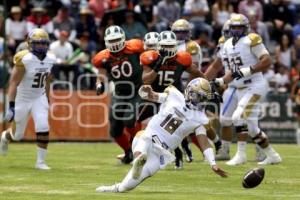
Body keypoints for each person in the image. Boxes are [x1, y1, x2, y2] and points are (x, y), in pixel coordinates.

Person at [96, 78, 228, 193]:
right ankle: (138, 160)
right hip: (151, 135)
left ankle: (117, 188)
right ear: (190, 92)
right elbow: (152, 96)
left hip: (162, 152)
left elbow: (204, 142)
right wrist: (147, 91)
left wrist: (213, 163)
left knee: (129, 185)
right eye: (200, 97)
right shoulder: (174, 95)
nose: (202, 101)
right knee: (143, 137)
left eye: (204, 98)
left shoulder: (200, 118)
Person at [212, 14, 282, 165]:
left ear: (245, 28)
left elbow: (267, 61)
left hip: (255, 86)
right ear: (229, 29)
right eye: (234, 27)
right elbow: (232, 71)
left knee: (237, 117)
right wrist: (221, 80)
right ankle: (273, 155)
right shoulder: (228, 44)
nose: (236, 30)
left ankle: (241, 154)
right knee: (251, 128)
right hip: (239, 88)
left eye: (239, 27)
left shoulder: (252, 39)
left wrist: (248, 70)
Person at [140, 31, 205, 168]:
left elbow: (198, 74)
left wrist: (207, 85)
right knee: (140, 120)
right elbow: (146, 80)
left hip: (173, 99)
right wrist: (158, 64)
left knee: (171, 128)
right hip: (155, 96)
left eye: (171, 46)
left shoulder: (182, 58)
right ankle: (141, 152)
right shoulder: (150, 58)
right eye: (165, 46)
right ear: (158, 46)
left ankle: (180, 155)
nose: (168, 50)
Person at [0, 28, 56, 170]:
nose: (41, 46)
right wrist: (11, 105)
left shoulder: (50, 59)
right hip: (22, 98)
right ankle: (5, 137)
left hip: (39, 96)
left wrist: (47, 98)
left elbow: (48, 80)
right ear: (30, 43)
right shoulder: (24, 58)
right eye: (37, 43)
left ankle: (40, 162)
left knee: (43, 126)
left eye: (43, 43)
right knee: (17, 135)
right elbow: (13, 82)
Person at [171, 19, 222, 164]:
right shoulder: (170, 44)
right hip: (176, 85)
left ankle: (215, 144)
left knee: (198, 120)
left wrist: (188, 90)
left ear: (188, 33)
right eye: (177, 32)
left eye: (183, 32)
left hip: (192, 86)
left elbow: (193, 70)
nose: (180, 35)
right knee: (185, 120)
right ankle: (210, 146)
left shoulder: (192, 46)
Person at [92, 25, 144, 164]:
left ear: (123, 38)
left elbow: (149, 59)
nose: (115, 43)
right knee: (114, 128)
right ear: (106, 41)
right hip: (120, 92)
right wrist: (99, 84)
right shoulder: (102, 57)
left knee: (129, 120)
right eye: (112, 40)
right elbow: (101, 75)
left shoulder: (135, 46)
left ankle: (139, 148)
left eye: (117, 39)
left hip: (137, 90)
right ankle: (128, 153)